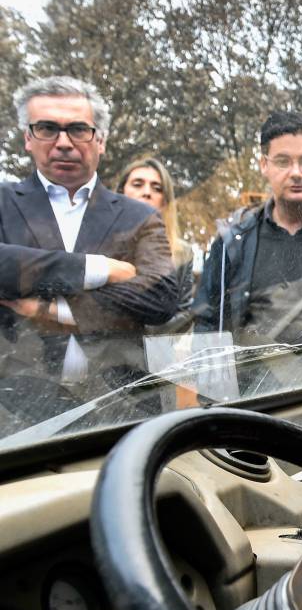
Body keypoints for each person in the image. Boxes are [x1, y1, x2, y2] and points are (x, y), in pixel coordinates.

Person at [0, 76, 176, 393]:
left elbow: (160, 296)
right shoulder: (3, 202)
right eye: (48, 128)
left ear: (101, 141)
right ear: (28, 137)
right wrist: (97, 269)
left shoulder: (139, 216)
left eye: (79, 129)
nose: (64, 142)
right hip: (17, 405)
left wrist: (49, 309)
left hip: (122, 405)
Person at [191, 112, 302, 346]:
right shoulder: (232, 240)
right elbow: (206, 323)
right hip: (245, 380)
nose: (296, 173)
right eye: (283, 161)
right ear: (264, 165)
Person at [117, 157, 195, 332]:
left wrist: (144, 337)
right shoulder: (99, 242)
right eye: (137, 184)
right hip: (103, 353)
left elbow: (183, 313)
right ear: (121, 192)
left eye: (157, 188)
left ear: (165, 201)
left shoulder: (182, 252)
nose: (147, 192)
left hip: (156, 353)